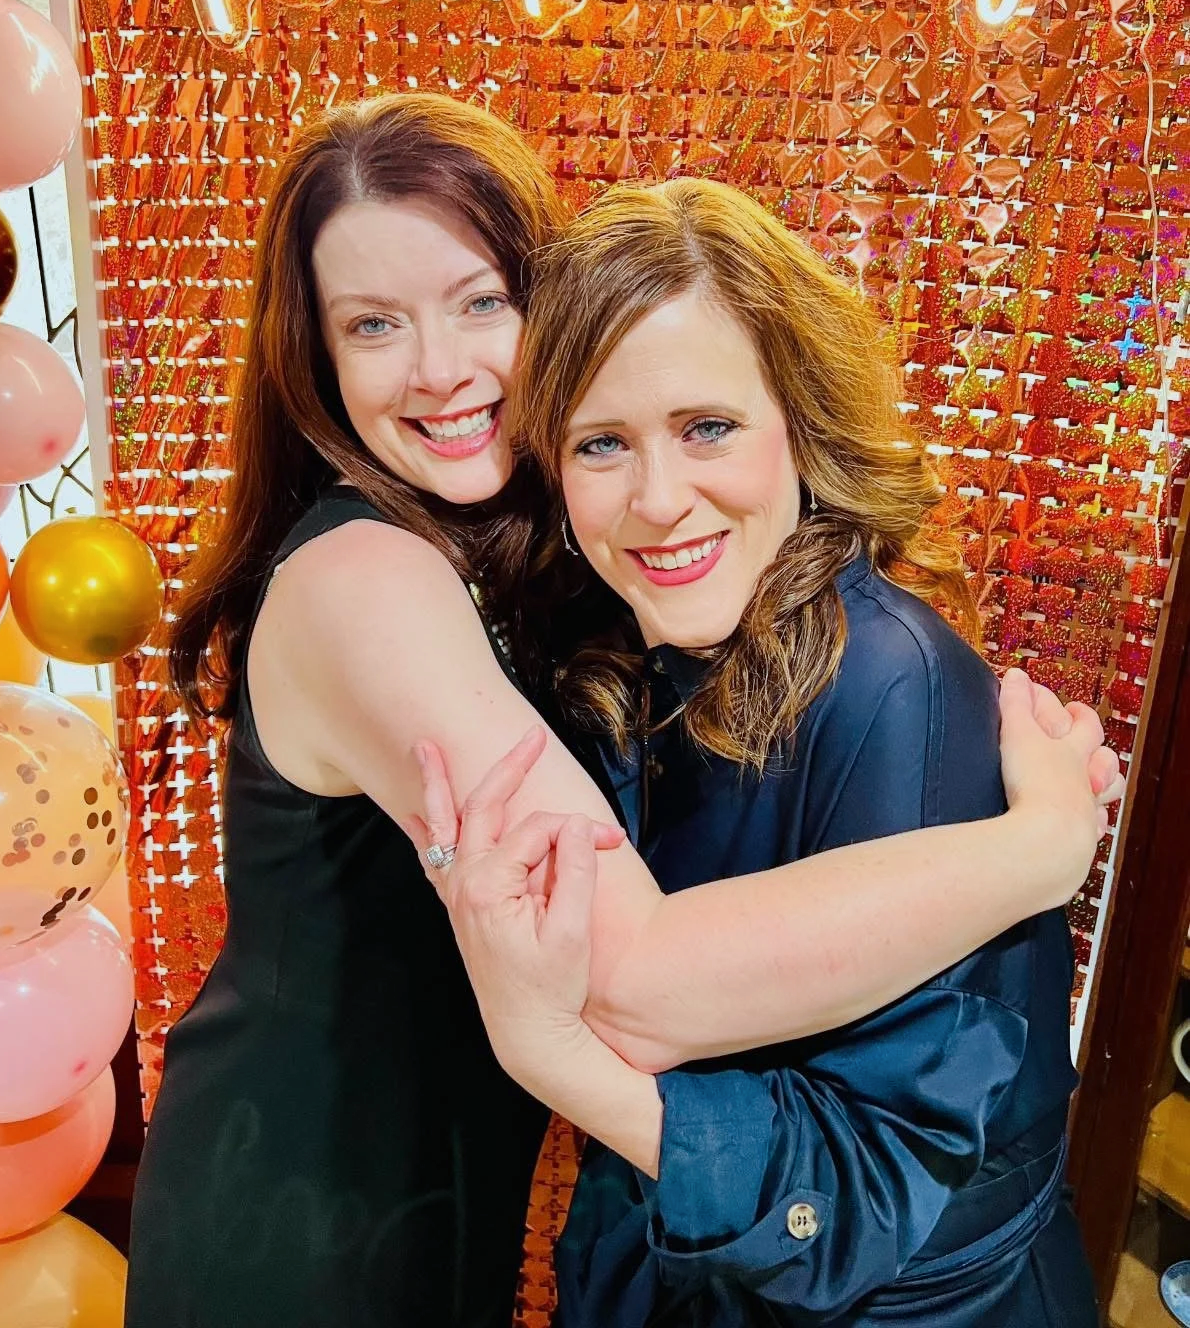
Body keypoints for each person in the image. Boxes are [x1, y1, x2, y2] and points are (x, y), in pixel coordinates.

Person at [126, 94, 1117, 1328]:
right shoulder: (365, 579)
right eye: (373, 324)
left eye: (482, 299)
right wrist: (1039, 850)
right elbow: (635, 973)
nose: (440, 367)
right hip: (306, 1195)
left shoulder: (570, 570)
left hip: (442, 1175)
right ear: (316, 361)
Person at [410, 177, 1110, 1326]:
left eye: (707, 428)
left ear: (798, 414)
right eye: (602, 444)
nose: (657, 500)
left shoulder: (892, 685)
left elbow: (863, 1187)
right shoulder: (617, 652)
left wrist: (558, 1056)